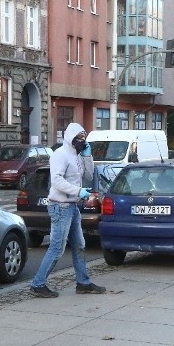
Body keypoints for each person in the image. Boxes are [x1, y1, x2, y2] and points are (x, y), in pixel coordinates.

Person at [30, 123, 107, 298]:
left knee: (79, 245)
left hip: (72, 207)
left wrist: (88, 156)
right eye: (79, 137)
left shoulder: (78, 156)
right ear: (70, 137)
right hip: (60, 206)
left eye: (84, 137)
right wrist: (78, 191)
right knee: (57, 247)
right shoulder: (60, 155)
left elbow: (88, 176)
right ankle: (38, 283)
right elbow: (56, 181)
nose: (82, 140)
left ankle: (83, 282)